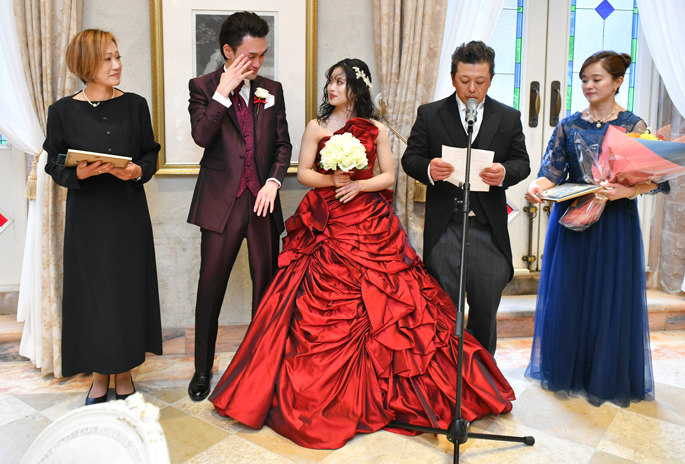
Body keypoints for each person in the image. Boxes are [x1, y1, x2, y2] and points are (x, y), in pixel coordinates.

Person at [209, 59, 516, 449]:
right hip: (326, 221)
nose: (332, 87)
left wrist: (360, 185)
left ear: (356, 87)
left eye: (340, 81)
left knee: (392, 305)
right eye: (330, 81)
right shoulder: (316, 126)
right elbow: (303, 172)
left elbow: (388, 175)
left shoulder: (377, 129)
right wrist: (332, 179)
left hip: (369, 221)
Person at [524, 50, 663, 407]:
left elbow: (655, 179)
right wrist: (536, 187)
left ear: (617, 82)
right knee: (569, 295)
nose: (588, 85)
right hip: (572, 222)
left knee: (610, 298)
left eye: (596, 79)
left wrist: (626, 191)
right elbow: (552, 172)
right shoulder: (568, 125)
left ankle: (604, 375)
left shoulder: (634, 126)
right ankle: (568, 371)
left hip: (614, 223)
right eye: (584, 79)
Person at [43, 29, 163, 404]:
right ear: (86, 63)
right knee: (93, 295)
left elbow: (150, 153)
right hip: (88, 218)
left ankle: (124, 373)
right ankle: (98, 376)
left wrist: (137, 171)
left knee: (127, 292)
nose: (117, 64)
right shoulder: (62, 111)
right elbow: (53, 163)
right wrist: (78, 173)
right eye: (107, 58)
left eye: (118, 56)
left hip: (128, 215)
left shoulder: (136, 105)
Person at [186, 12, 292, 401]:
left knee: (265, 291)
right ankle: (202, 370)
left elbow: (282, 145)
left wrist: (273, 182)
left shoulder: (272, 89)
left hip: (262, 205)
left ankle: (259, 372)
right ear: (228, 52)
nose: (258, 63)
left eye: (263, 54)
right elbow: (201, 136)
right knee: (209, 290)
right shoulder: (202, 87)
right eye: (251, 56)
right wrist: (223, 92)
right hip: (220, 205)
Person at [402, 41, 530, 356]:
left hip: (487, 230)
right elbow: (411, 158)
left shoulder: (508, 117)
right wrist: (429, 168)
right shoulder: (431, 114)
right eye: (465, 80)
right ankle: (446, 376)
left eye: (480, 81)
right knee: (444, 314)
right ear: (452, 77)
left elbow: (522, 163)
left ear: (491, 79)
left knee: (484, 315)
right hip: (446, 228)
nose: (472, 89)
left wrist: (504, 172)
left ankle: (483, 378)